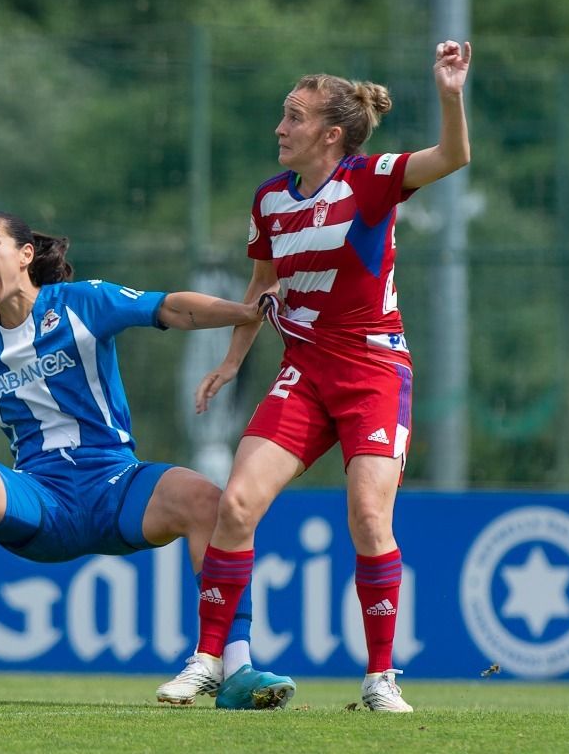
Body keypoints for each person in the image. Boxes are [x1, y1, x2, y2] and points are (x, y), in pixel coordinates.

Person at [0, 212, 297, 710]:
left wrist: (245, 311)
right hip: (42, 504)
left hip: (115, 487)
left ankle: (234, 667)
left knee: (209, 501)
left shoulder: (83, 303)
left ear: (25, 255)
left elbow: (171, 308)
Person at [188, 41, 473, 713]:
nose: (279, 129)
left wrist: (450, 92)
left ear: (330, 133)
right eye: (282, 116)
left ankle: (380, 678)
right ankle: (206, 661)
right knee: (235, 505)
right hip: (305, 371)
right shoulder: (269, 201)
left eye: (293, 117)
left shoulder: (371, 178)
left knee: (370, 516)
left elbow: (455, 158)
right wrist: (232, 361)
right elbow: (263, 290)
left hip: (374, 370)